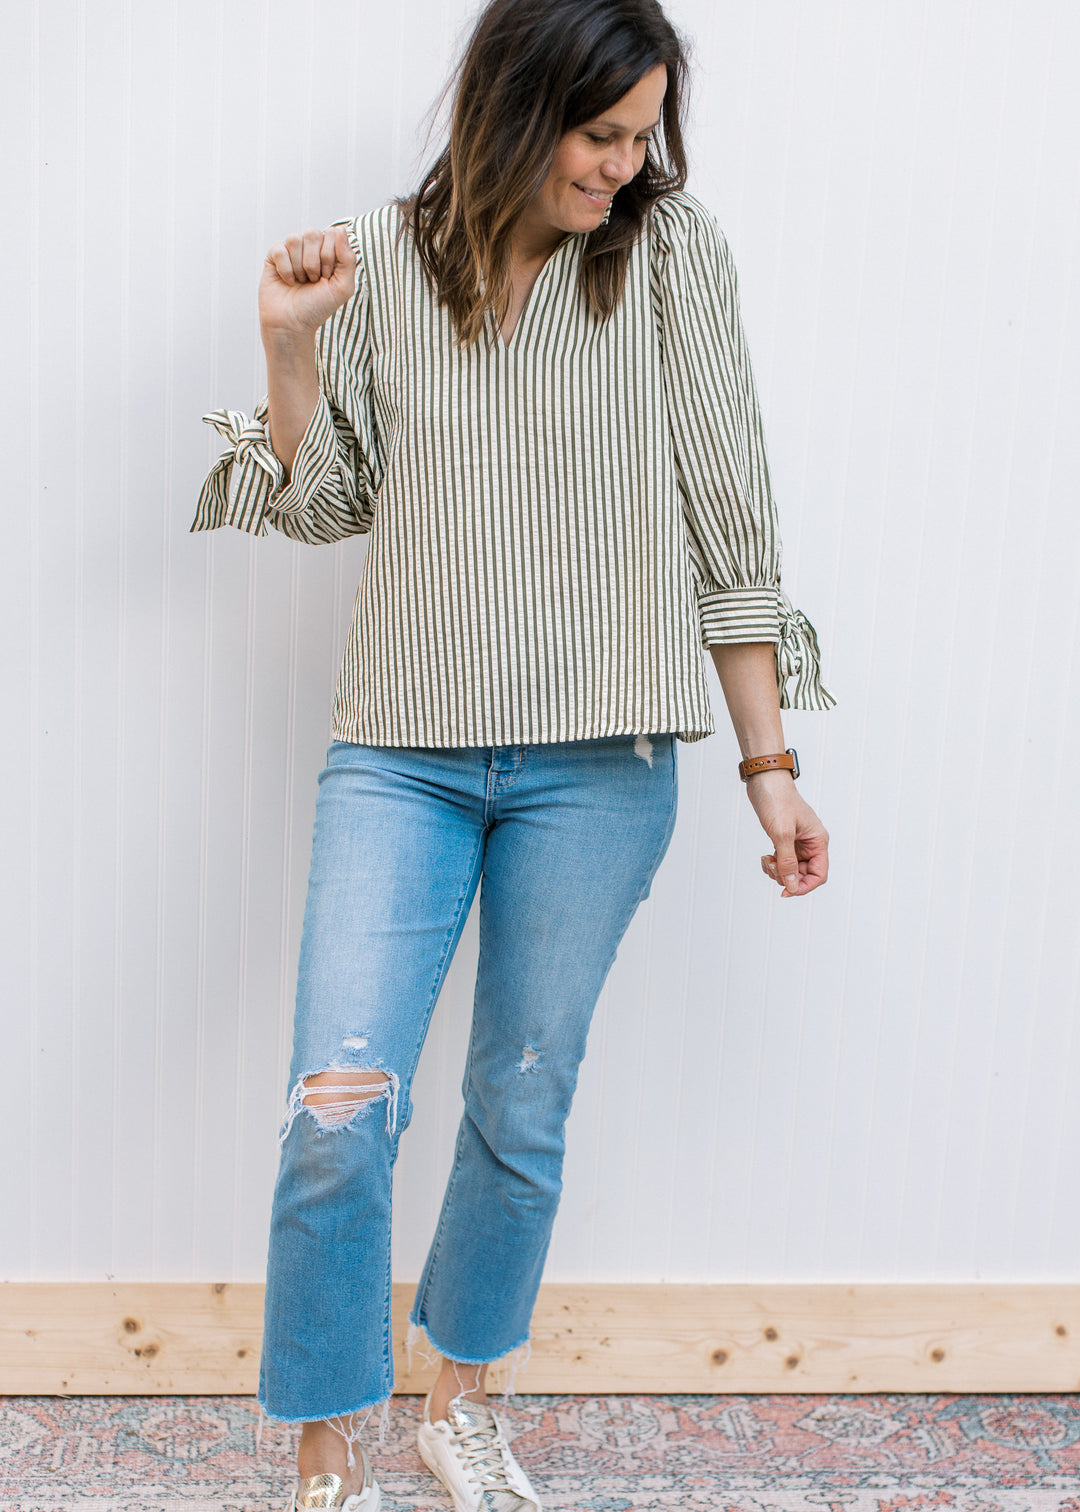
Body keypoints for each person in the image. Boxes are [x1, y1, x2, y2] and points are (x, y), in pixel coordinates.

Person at [193, 0, 834, 1506]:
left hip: (601, 766)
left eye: (643, 137)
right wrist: (288, 343)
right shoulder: (380, 259)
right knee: (338, 1108)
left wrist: (770, 768)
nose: (623, 167)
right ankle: (329, 1436)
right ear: (513, 109)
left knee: (520, 1102)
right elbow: (323, 506)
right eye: (600, 134)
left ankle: (462, 1402)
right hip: (400, 756)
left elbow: (730, 514)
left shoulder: (672, 256)